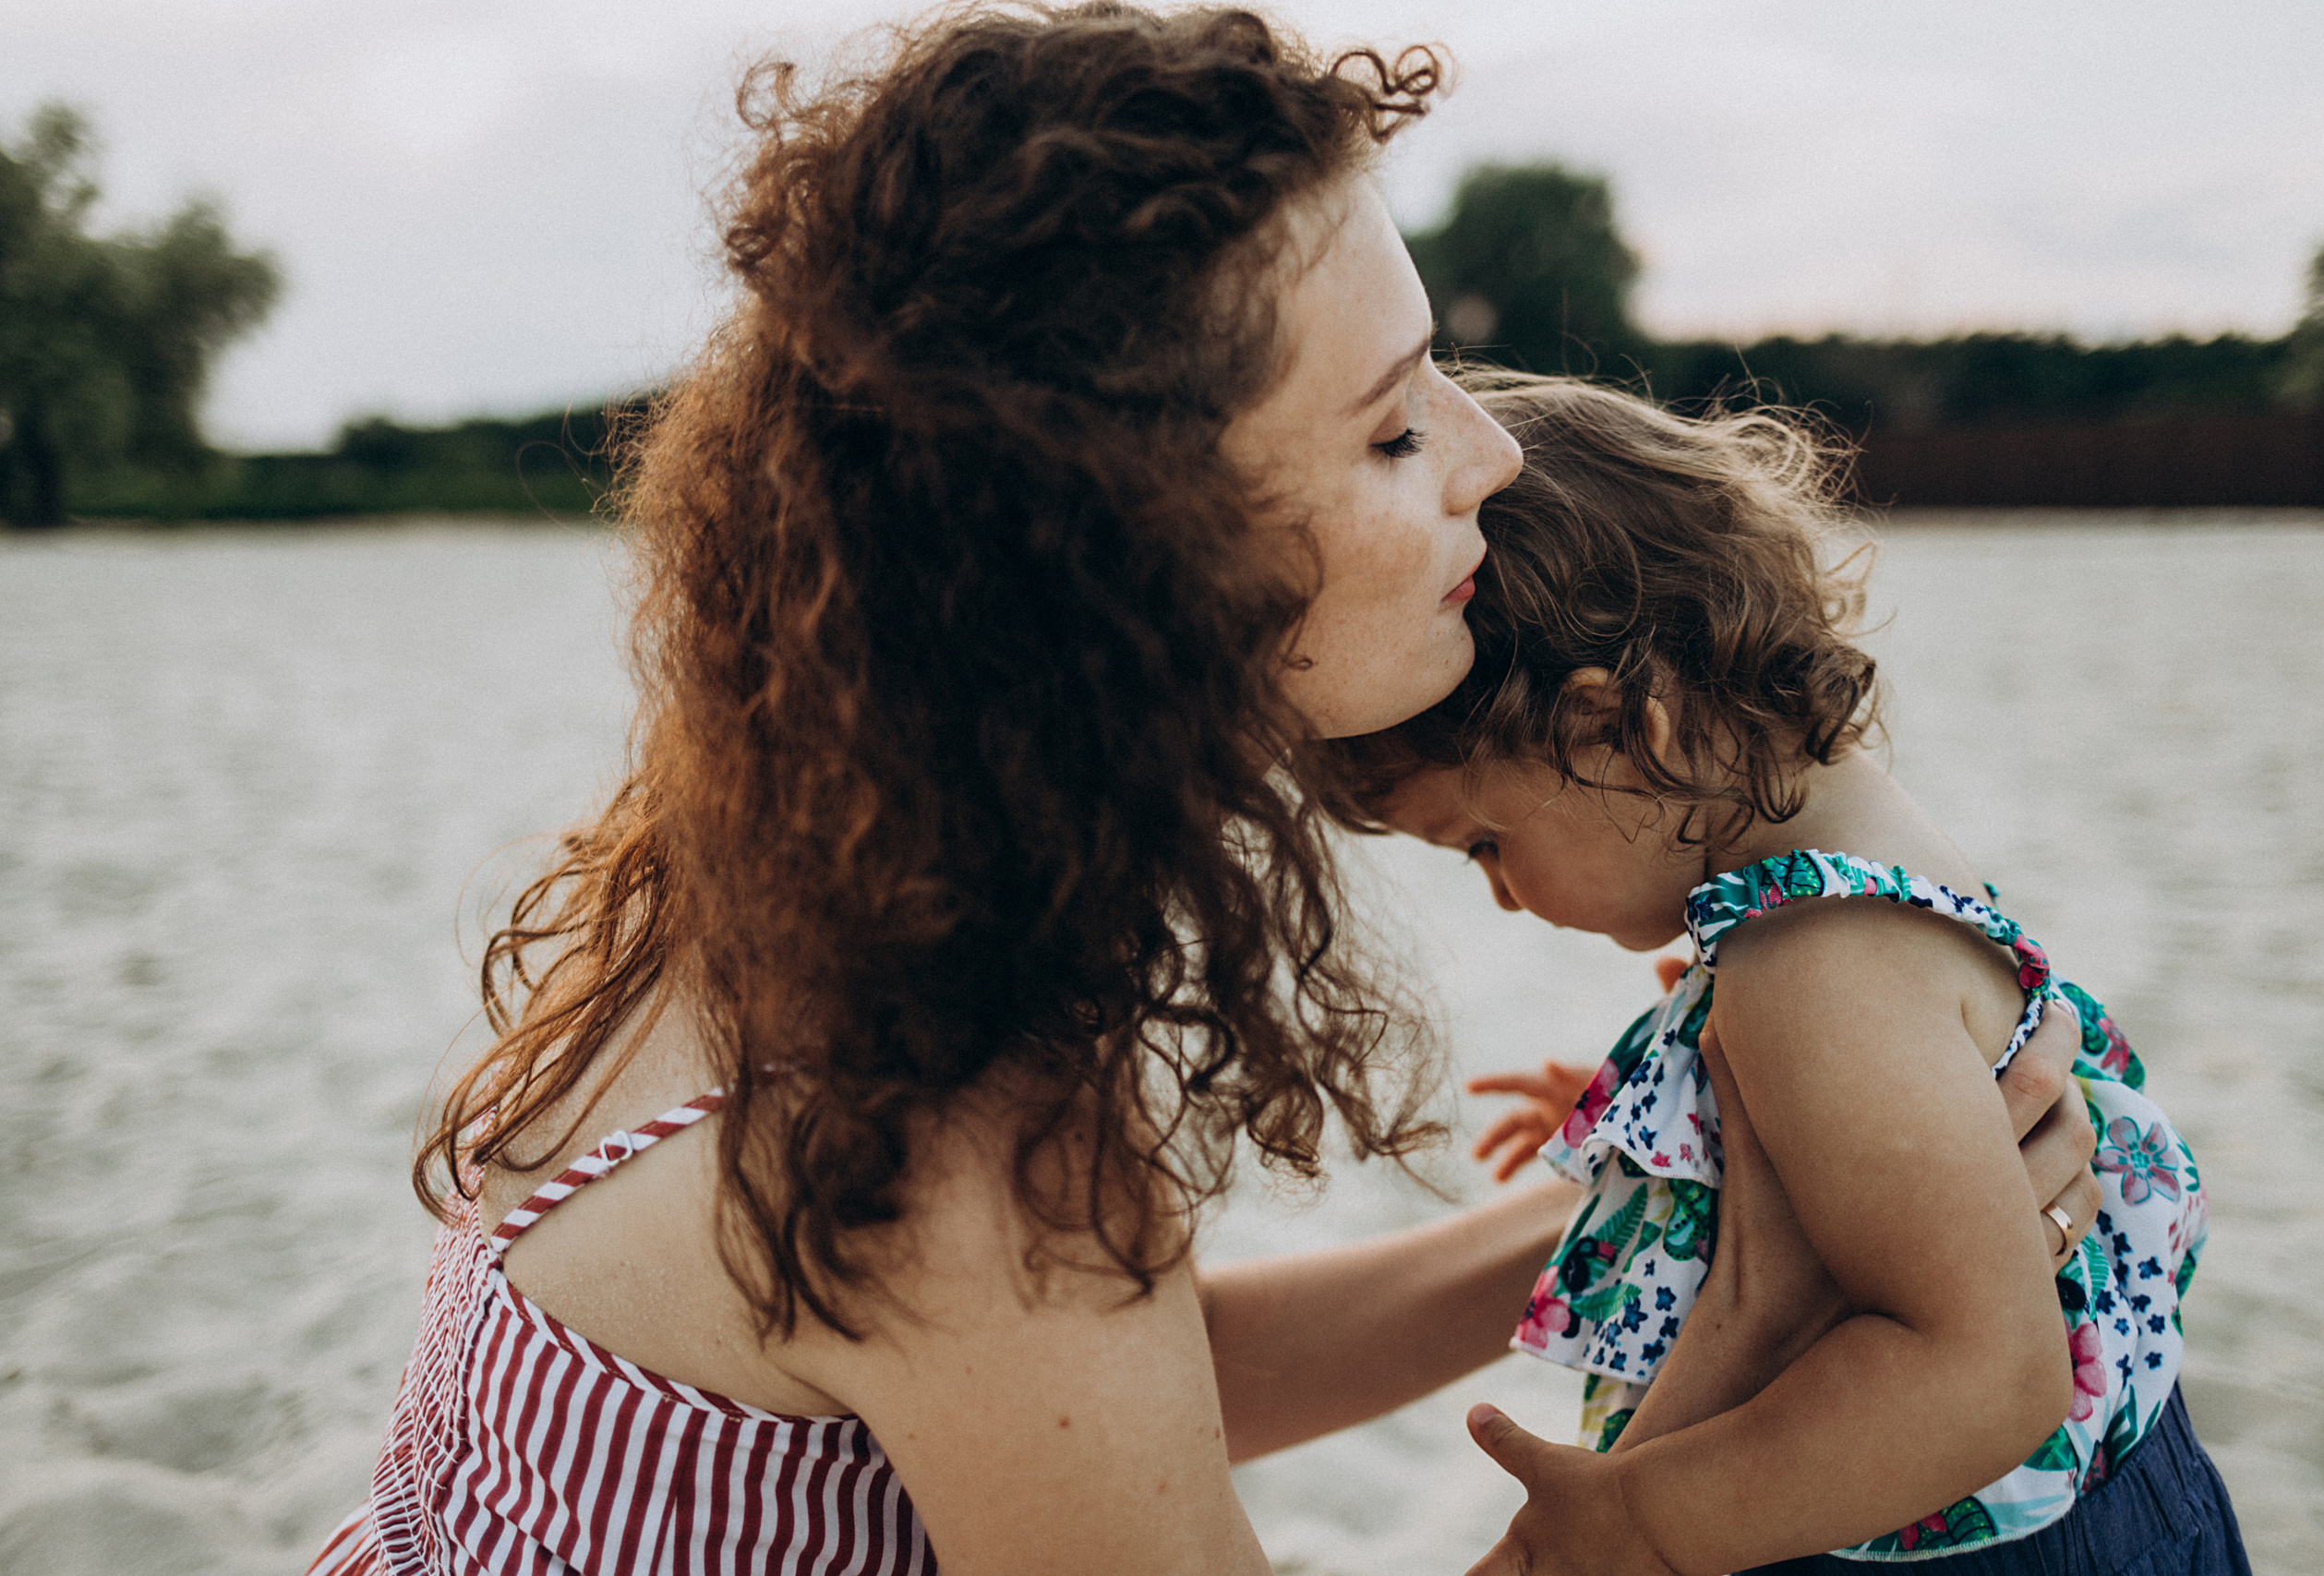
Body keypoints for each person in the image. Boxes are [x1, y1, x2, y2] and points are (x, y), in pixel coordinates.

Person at [306, 9, 2101, 1574]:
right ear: (1139, 566)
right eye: (1394, 427)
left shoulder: (776, 883)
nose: (1489, 455)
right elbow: (1052, 1362)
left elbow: (1096, 1393)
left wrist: (1668, 1190)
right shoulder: (963, 1144)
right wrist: (1754, 1324)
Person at [1337, 373, 2246, 1574]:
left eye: (1484, 843)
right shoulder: (1863, 877)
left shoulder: (1812, 964)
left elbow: (1987, 1372)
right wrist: (1678, 1127)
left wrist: (1643, 1524)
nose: (1503, 893)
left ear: (1620, 729)